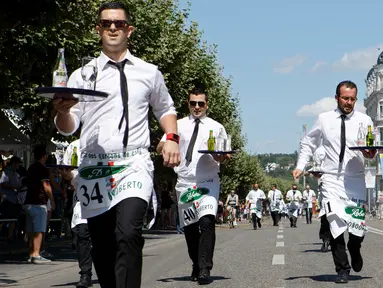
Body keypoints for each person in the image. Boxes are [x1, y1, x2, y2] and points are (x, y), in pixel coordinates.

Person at [53, 2, 180, 287]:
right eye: (106, 23)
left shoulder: (149, 72)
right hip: (95, 168)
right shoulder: (81, 75)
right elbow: (69, 126)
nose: (113, 28)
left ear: (129, 30)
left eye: (119, 23)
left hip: (133, 164)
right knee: (103, 243)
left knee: (129, 233)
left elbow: (165, 109)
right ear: (98, 29)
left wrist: (171, 137)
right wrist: (62, 112)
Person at [293, 80, 376, 283]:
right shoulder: (324, 119)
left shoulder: (365, 120)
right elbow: (308, 143)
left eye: (352, 99)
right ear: (336, 98)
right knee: (334, 224)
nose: (348, 102)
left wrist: (370, 153)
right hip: (331, 179)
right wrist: (300, 165)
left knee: (356, 229)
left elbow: (371, 153)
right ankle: (342, 269)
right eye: (345, 98)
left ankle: (355, 249)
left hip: (355, 180)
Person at [157, 85, 230, 284]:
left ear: (207, 105)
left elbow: (224, 158)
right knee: (190, 228)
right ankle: (196, 263)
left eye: (200, 103)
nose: (197, 107)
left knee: (207, 222)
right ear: (188, 104)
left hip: (208, 182)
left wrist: (221, 156)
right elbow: (161, 145)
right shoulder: (177, 125)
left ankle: (205, 267)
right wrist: (164, 147)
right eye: (193, 103)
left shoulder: (217, 127)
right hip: (185, 183)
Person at [61, 140, 93, 288]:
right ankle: (85, 274)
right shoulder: (74, 146)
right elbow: (67, 174)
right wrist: (69, 175)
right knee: (82, 235)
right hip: (82, 199)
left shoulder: (109, 139)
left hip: (105, 198)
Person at [24, 144, 55, 264]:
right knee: (39, 229)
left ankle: (31, 254)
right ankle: (36, 254)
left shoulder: (31, 167)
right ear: (44, 156)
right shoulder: (43, 169)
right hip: (39, 201)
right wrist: (51, 199)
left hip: (28, 201)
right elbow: (46, 185)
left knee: (31, 230)